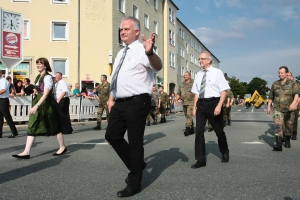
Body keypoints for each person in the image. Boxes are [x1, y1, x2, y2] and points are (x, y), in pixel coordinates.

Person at [105, 17, 162, 197]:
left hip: (138, 101)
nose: (122, 32)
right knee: (112, 136)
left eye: (126, 29)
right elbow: (117, 77)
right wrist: (111, 97)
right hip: (120, 102)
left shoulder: (143, 50)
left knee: (135, 142)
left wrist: (150, 52)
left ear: (136, 31)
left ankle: (135, 182)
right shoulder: (121, 53)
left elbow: (158, 66)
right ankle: (136, 165)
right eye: (121, 29)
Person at [12, 57, 70, 159]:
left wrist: (36, 106)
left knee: (53, 126)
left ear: (45, 65)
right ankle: (26, 151)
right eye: (37, 63)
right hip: (38, 102)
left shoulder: (47, 77)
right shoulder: (38, 77)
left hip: (45, 105)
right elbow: (39, 90)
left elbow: (46, 93)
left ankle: (62, 147)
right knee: (32, 125)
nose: (38, 65)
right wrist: (34, 90)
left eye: (40, 64)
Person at [191, 51, 230, 169]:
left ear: (209, 60)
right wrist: (194, 107)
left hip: (214, 103)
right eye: (199, 59)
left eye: (202, 59)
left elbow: (224, 91)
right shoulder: (198, 75)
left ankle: (224, 152)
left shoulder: (217, 73)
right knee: (198, 131)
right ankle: (200, 159)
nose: (199, 61)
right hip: (201, 104)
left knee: (219, 131)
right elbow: (197, 93)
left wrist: (219, 106)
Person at [267, 66, 299, 151]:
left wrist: (294, 103)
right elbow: (271, 96)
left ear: (286, 73)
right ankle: (278, 144)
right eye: (279, 72)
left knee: (288, 126)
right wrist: (269, 106)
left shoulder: (293, 84)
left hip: (289, 109)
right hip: (278, 108)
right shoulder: (275, 84)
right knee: (278, 124)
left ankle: (287, 140)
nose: (280, 74)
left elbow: (296, 94)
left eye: (281, 73)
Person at [0, 71, 18, 138]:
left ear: (1, 73)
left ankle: (14, 132)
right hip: (0, 99)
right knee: (0, 118)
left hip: (3, 99)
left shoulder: (4, 81)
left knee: (7, 116)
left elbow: (3, 90)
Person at [176, 72, 195, 136]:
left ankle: (187, 129)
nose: (184, 76)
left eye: (186, 75)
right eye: (184, 75)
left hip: (191, 102)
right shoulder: (182, 84)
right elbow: (179, 93)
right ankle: (191, 128)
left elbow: (197, 93)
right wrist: (176, 100)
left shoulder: (194, 83)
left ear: (190, 76)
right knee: (187, 116)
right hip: (184, 103)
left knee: (189, 115)